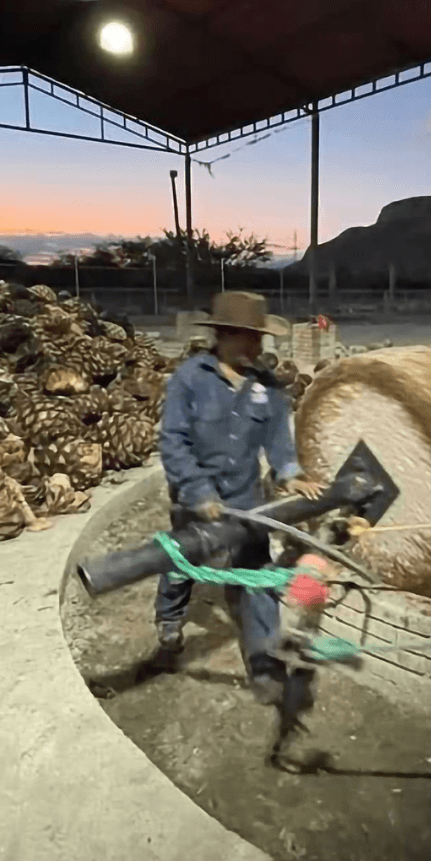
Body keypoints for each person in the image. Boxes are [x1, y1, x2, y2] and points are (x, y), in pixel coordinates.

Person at [157, 291, 323, 704]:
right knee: (183, 561)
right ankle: (169, 619)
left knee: (256, 577)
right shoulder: (190, 380)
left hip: (246, 500)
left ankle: (265, 666)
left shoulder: (266, 387)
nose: (256, 348)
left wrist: (291, 475)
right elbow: (173, 443)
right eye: (248, 339)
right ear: (224, 336)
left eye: (259, 340)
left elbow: (278, 440)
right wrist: (198, 492)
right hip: (195, 498)